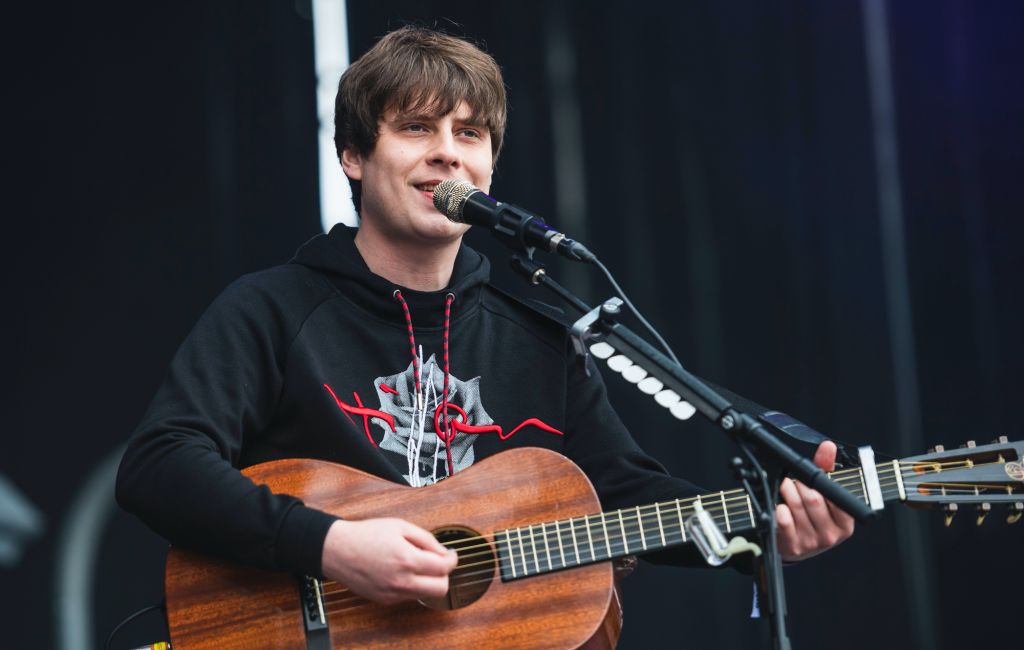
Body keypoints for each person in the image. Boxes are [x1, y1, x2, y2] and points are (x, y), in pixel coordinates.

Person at [116, 26, 852, 609]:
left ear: (491, 166)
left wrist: (761, 529)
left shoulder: (538, 337)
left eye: (469, 135)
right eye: (416, 128)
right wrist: (330, 545)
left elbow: (625, 499)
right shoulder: (271, 309)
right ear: (353, 156)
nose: (447, 155)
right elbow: (159, 467)